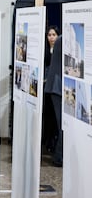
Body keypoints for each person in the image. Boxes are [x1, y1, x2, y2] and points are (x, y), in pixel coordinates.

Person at [44, 35, 63, 167]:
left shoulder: (61, 39)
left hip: (58, 87)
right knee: (63, 125)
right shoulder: (62, 40)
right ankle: (59, 157)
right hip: (57, 87)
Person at [42, 25, 60, 153]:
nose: (52, 37)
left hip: (55, 87)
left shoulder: (60, 50)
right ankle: (47, 141)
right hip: (45, 86)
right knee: (47, 115)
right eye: (49, 35)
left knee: (55, 116)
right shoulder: (44, 51)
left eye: (54, 35)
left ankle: (54, 141)